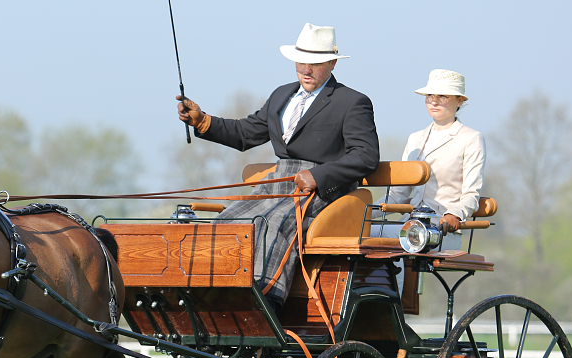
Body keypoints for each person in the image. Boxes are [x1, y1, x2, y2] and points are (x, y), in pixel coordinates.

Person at [177, 23, 379, 312]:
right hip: (277, 181)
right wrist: (203, 121)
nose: (306, 69)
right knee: (227, 223)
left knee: (272, 223)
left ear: (332, 63)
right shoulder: (281, 95)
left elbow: (366, 157)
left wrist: (318, 175)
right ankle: (216, 293)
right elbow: (246, 133)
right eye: (301, 61)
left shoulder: (353, 102)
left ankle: (265, 300)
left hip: (323, 190)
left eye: (315, 63)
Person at [379, 69, 486, 248]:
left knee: (381, 239)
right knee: (362, 232)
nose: (434, 101)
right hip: (410, 224)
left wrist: (454, 215)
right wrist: (360, 212)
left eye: (443, 96)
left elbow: (471, 194)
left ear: (460, 100)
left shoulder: (471, 138)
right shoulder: (415, 139)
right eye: (430, 95)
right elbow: (398, 195)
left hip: (441, 230)